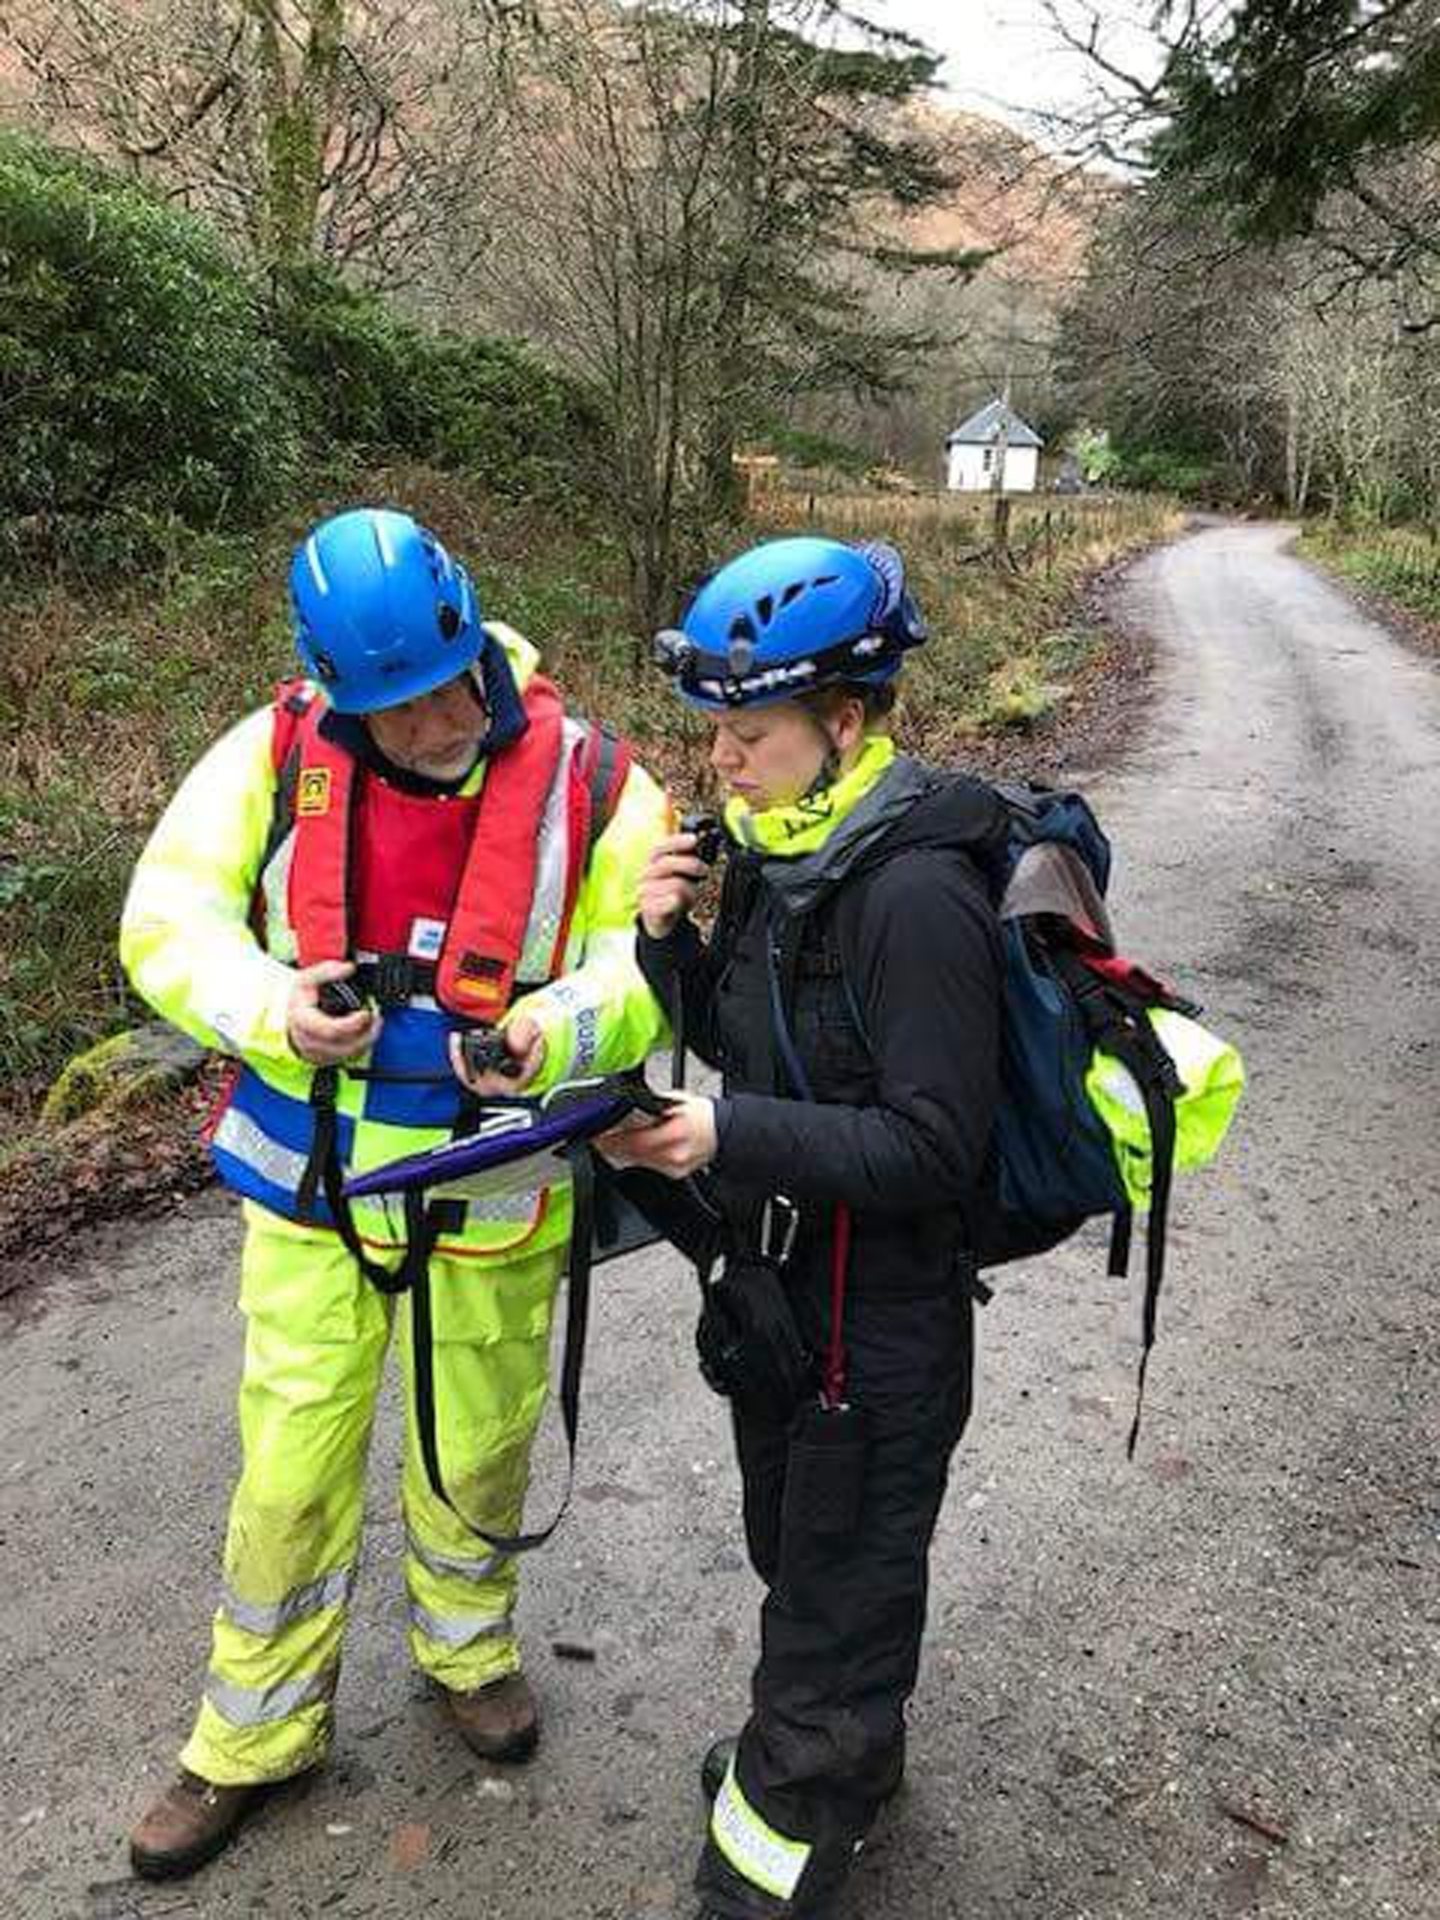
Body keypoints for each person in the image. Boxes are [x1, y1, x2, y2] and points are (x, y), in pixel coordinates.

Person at [118, 506, 669, 1880]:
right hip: (315, 1177)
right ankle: (252, 1736)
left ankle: (468, 1654)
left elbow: (650, 962)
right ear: (332, 687)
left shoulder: (597, 783)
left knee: (476, 1437)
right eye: (393, 707)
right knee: (292, 1463)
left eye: (439, 688)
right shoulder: (274, 752)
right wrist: (268, 1003)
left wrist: (563, 1029)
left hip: (492, 1177)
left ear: (469, 634)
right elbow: (166, 919)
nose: (428, 722)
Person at [605, 535, 1007, 1919]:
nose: (720, 759)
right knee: (809, 1560)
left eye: (750, 731)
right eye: (714, 728)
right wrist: (669, 946)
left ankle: (775, 1842)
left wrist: (723, 1135)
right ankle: (845, 1752)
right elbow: (755, 1044)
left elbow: (935, 1146)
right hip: (782, 1297)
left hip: (879, 1325)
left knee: (833, 1589)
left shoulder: (912, 893)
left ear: (844, 725)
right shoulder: (789, 858)